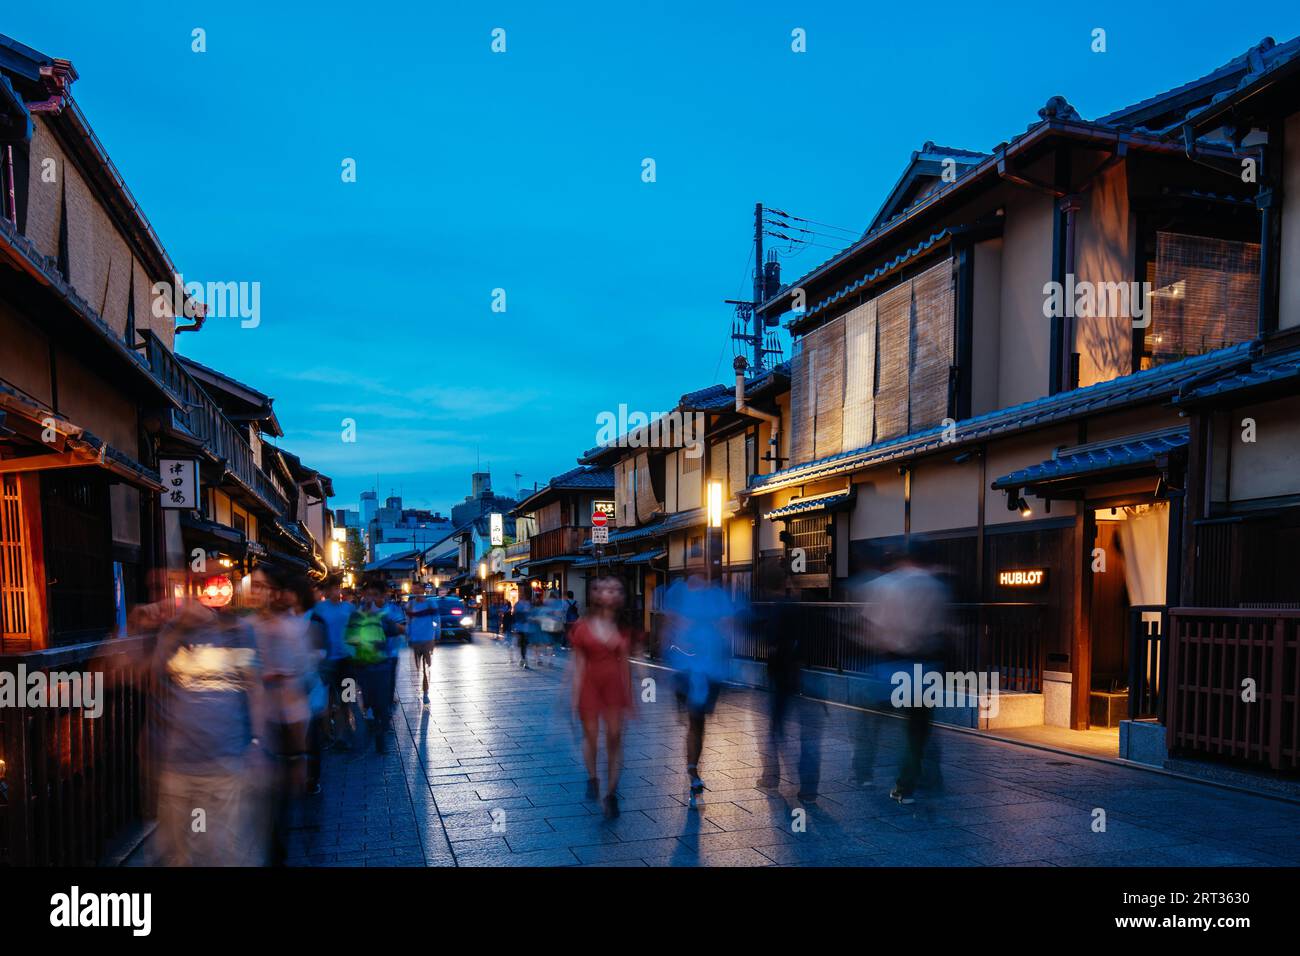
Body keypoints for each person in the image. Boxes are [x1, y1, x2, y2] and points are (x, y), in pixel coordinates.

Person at [152, 573, 262, 866]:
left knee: (225, 850)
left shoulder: (239, 632)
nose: (212, 595)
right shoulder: (174, 632)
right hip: (178, 760)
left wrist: (257, 742)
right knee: (179, 854)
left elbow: (254, 689)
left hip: (226, 759)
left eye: (220, 587)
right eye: (207, 588)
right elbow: (152, 678)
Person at [859, 538, 951, 804]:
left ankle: (864, 773)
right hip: (925, 666)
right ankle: (907, 785)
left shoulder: (887, 585)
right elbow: (940, 630)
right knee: (918, 729)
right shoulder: (937, 588)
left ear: (902, 557)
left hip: (890, 667)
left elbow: (873, 630)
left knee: (870, 721)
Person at [248, 566, 323, 865]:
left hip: (276, 732)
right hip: (242, 738)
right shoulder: (243, 628)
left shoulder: (291, 630)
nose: (256, 592)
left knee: (275, 810)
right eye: (252, 586)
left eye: (261, 586)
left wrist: (299, 755)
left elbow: (297, 688)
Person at [568, 576, 634, 819]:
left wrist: (631, 698)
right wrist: (574, 698)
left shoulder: (623, 625)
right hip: (590, 685)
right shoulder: (583, 626)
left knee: (615, 739)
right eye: (606, 589)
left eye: (617, 589)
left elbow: (626, 664)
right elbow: (579, 664)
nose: (612, 593)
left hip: (614, 686)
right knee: (592, 737)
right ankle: (593, 777)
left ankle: (611, 793)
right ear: (596, 595)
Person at [662, 574, 732, 802]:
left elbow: (727, 627)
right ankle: (693, 772)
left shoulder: (716, 597)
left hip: (708, 669)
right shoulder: (678, 594)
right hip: (686, 669)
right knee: (695, 719)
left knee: (698, 722)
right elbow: (669, 626)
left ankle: (693, 769)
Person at [344, 583, 400, 753]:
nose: (370, 598)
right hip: (362, 665)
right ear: (362, 595)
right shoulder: (356, 616)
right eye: (367, 594)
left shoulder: (382, 616)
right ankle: (372, 731)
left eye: (374, 594)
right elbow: (349, 638)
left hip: (382, 665)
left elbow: (395, 630)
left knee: (381, 704)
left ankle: (379, 737)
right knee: (367, 701)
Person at [309, 578, 356, 749]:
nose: (337, 592)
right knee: (326, 701)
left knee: (347, 699)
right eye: (333, 589)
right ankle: (330, 736)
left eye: (338, 588)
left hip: (348, 660)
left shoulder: (349, 608)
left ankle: (345, 734)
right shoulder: (319, 609)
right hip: (326, 661)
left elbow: (357, 629)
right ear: (327, 591)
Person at [406, 590, 439, 703]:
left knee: (426, 667)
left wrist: (436, 636)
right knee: (417, 667)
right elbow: (408, 622)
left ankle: (425, 692)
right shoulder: (410, 605)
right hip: (416, 641)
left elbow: (436, 620)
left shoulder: (430, 604)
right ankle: (419, 689)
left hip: (427, 640)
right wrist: (408, 636)